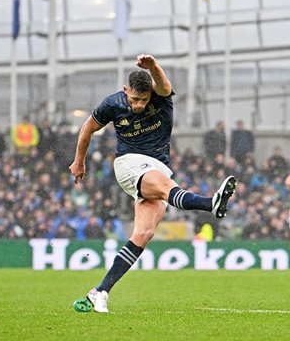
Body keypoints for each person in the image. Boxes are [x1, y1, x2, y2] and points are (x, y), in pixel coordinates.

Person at [70, 54, 236, 313]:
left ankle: (100, 291)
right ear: (126, 91)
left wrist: (153, 66)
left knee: (143, 234)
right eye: (134, 99)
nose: (138, 105)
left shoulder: (161, 96)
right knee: (168, 188)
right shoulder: (112, 104)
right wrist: (79, 162)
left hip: (157, 166)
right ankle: (210, 204)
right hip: (128, 163)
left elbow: (163, 84)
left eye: (143, 100)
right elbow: (87, 128)